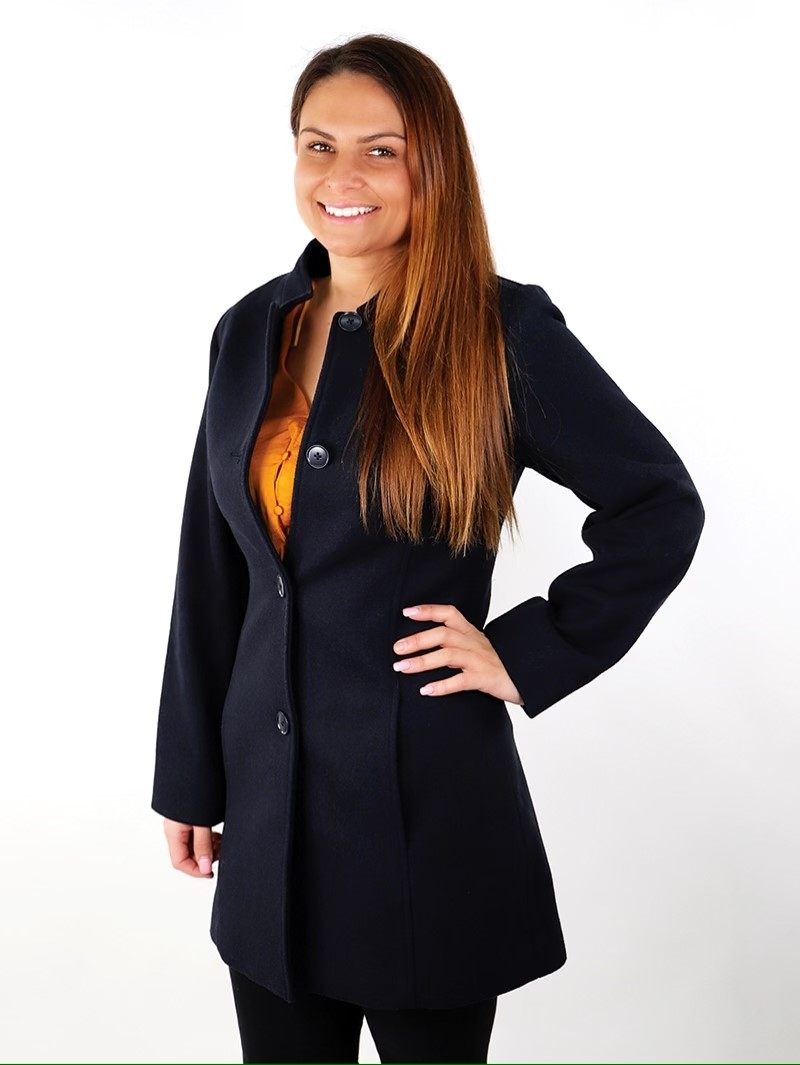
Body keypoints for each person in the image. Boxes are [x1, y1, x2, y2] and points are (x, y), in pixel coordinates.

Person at [151, 32, 706, 1065]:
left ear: (432, 165)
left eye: (382, 150)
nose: (342, 176)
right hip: (267, 822)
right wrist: (190, 775)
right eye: (318, 145)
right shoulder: (248, 330)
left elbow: (657, 504)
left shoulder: (501, 331)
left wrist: (527, 651)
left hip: (423, 820)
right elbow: (212, 567)